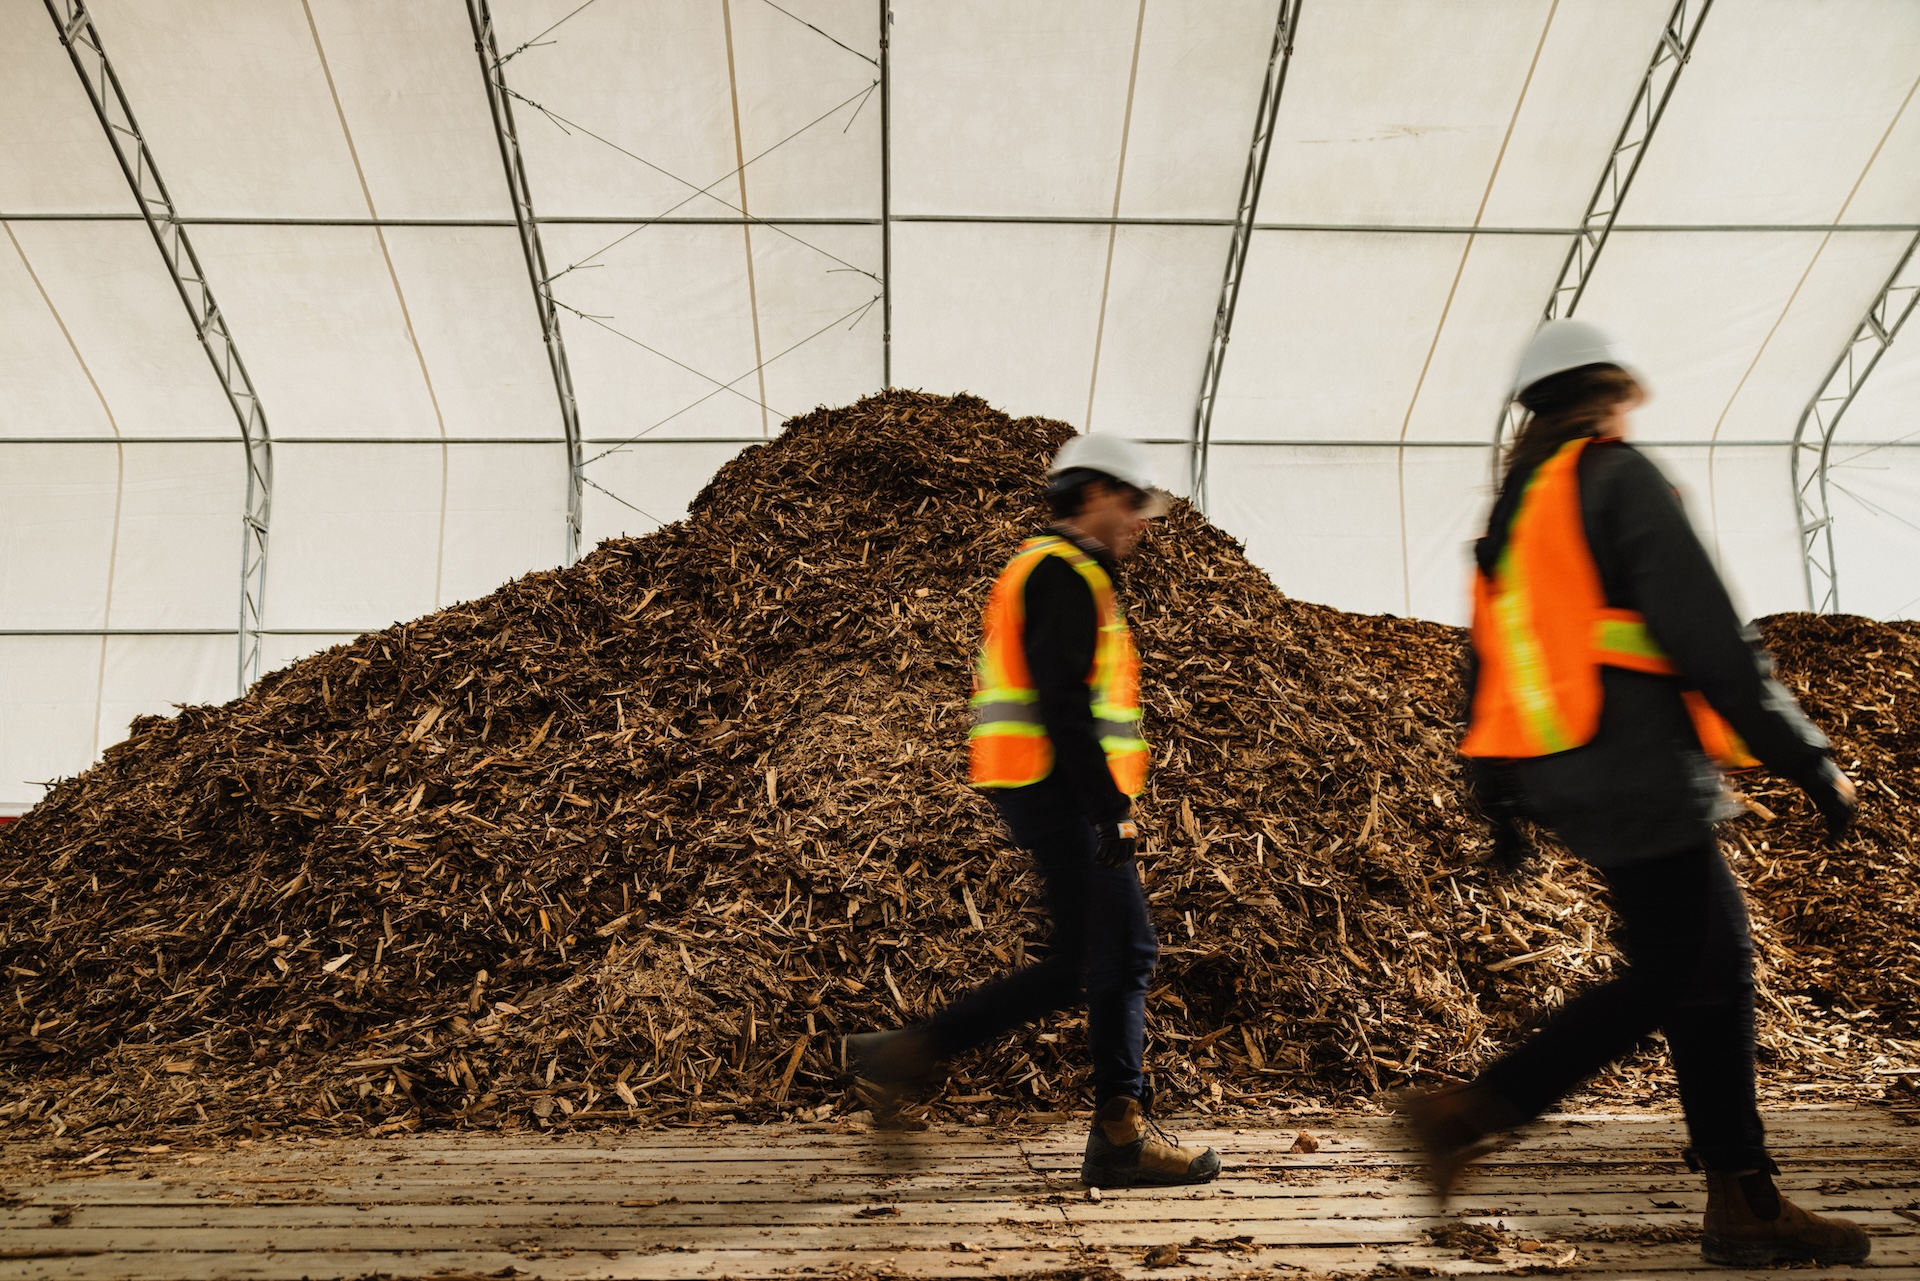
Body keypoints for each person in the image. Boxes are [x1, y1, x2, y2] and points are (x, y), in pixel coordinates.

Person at [1395, 319, 1867, 1267]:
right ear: (1608, 393)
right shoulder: (1616, 477)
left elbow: (1488, 663)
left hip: (1567, 772)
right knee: (1676, 971)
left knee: (1711, 969)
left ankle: (1745, 1195)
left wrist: (1501, 797)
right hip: (1640, 768)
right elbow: (1709, 636)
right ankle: (1471, 1112)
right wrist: (1805, 754)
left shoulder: (1520, 508)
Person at [843, 433, 1220, 1188]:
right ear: (1091, 495)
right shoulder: (1062, 574)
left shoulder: (1060, 569)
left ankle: (1119, 1124)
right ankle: (901, 1056)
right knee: (1086, 961)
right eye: (1132, 501)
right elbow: (1063, 703)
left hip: (1053, 788)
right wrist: (1109, 807)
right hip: (1061, 790)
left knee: (1122, 953)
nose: (1143, 520)